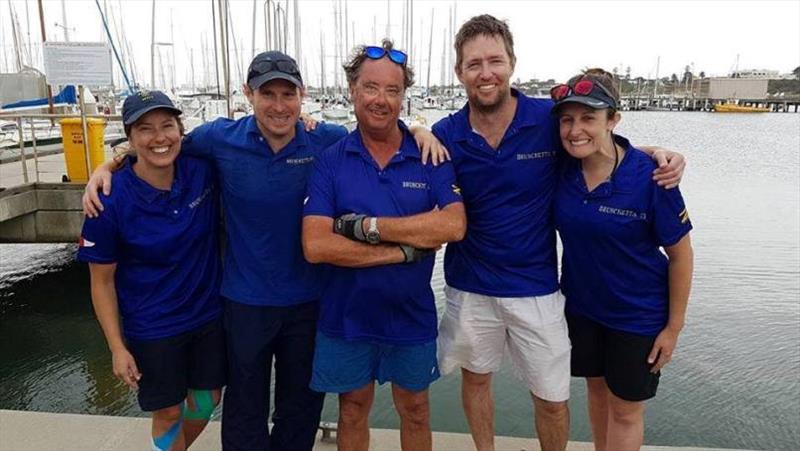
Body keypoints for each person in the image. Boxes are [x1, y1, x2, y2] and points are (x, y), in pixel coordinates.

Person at [83, 51, 449, 451]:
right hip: (244, 303)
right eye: (267, 94)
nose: (279, 105)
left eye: (287, 94)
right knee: (243, 407)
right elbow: (160, 144)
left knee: (301, 407)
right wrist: (110, 165)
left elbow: (378, 132)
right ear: (248, 95)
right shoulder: (219, 139)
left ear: (302, 96)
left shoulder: (325, 140)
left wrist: (417, 129)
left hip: (310, 301)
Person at [431, 15, 686, 451]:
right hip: (470, 285)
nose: (486, 72)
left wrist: (651, 153)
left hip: (538, 287)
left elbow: (592, 139)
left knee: (552, 398)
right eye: (474, 64)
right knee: (476, 382)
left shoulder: (546, 118)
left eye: (495, 60)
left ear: (512, 63)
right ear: (459, 72)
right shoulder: (444, 134)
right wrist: (416, 130)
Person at [301, 39, 466, 451]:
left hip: (410, 317)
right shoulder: (332, 159)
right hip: (346, 316)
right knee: (353, 409)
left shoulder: (428, 153)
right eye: (371, 88)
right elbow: (317, 245)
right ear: (352, 91)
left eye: (393, 91)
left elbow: (453, 224)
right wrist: (402, 250)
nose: (381, 100)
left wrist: (367, 227)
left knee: (416, 409)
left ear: (403, 97)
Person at [551, 68, 693, 451]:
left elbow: (681, 256)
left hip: (637, 316)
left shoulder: (652, 177)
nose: (575, 129)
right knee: (597, 394)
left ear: (613, 119)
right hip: (582, 309)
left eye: (588, 118)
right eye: (567, 119)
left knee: (626, 410)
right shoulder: (562, 168)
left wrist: (673, 328)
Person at [77, 90, 225, 451]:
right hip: (153, 326)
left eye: (167, 126)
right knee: (169, 413)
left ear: (179, 129)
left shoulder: (200, 169)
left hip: (207, 316)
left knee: (209, 399)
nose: (160, 138)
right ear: (130, 137)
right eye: (146, 129)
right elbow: (101, 282)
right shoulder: (107, 200)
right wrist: (116, 347)